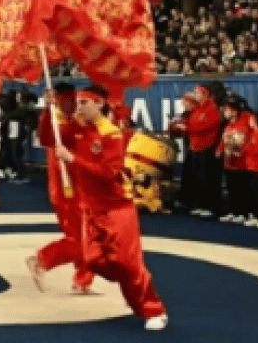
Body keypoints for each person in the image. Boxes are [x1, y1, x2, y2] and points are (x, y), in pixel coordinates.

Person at [55, 86, 167, 331]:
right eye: (79, 102)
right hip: (90, 207)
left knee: (128, 264)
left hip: (116, 208)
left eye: (85, 102)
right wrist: (51, 107)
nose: (80, 106)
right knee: (92, 260)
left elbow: (109, 173)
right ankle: (132, 288)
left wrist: (73, 160)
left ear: (100, 104)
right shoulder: (79, 129)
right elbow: (48, 135)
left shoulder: (112, 134)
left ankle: (153, 309)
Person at [28, 83, 95, 294]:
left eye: (81, 102)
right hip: (65, 190)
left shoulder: (78, 122)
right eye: (74, 101)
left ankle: (82, 280)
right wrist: (47, 110)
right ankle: (42, 259)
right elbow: (45, 138)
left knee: (89, 235)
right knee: (79, 239)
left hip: (83, 187)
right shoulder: (56, 124)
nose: (76, 105)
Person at [169, 85, 223, 218]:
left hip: (207, 150)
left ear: (205, 94)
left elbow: (203, 127)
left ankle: (211, 207)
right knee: (198, 180)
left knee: (208, 180)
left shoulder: (213, 109)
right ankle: (200, 205)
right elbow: (192, 125)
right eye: (195, 93)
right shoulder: (197, 109)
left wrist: (185, 127)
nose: (196, 96)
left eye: (198, 93)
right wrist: (181, 126)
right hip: (195, 149)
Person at [217, 95, 254, 224]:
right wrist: (219, 149)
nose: (224, 111)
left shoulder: (247, 118)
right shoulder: (229, 124)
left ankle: (243, 213)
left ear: (234, 109)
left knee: (242, 188)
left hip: (242, 162)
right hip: (229, 162)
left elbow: (255, 135)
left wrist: (243, 147)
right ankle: (234, 211)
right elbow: (224, 139)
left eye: (226, 109)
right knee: (231, 188)